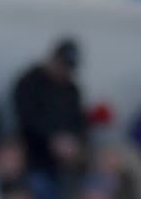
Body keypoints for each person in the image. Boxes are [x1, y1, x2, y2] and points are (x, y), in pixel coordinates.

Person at [11, 40, 86, 179]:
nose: (65, 70)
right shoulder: (30, 82)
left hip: (63, 162)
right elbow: (26, 117)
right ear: (53, 59)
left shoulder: (71, 89)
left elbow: (78, 120)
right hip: (33, 157)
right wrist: (53, 138)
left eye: (69, 67)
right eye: (62, 64)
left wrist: (73, 141)